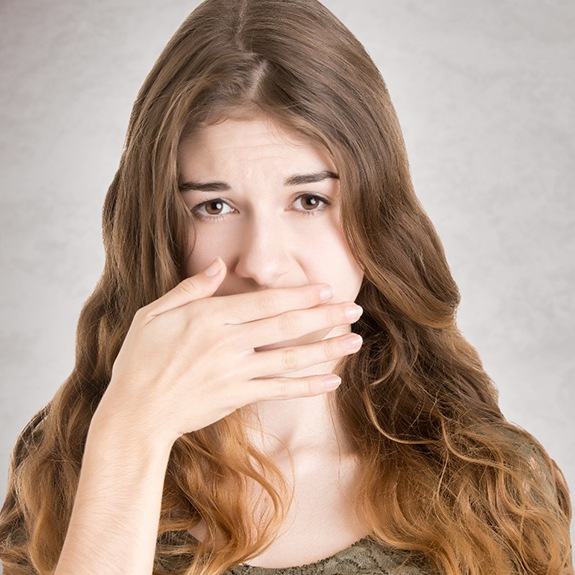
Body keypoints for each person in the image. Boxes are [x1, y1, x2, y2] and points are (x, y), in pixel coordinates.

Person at [0, 0, 572, 573]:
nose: (264, 264)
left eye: (309, 200)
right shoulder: (68, 462)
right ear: (157, 227)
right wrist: (130, 437)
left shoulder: (492, 484)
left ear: (378, 215)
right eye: (215, 205)